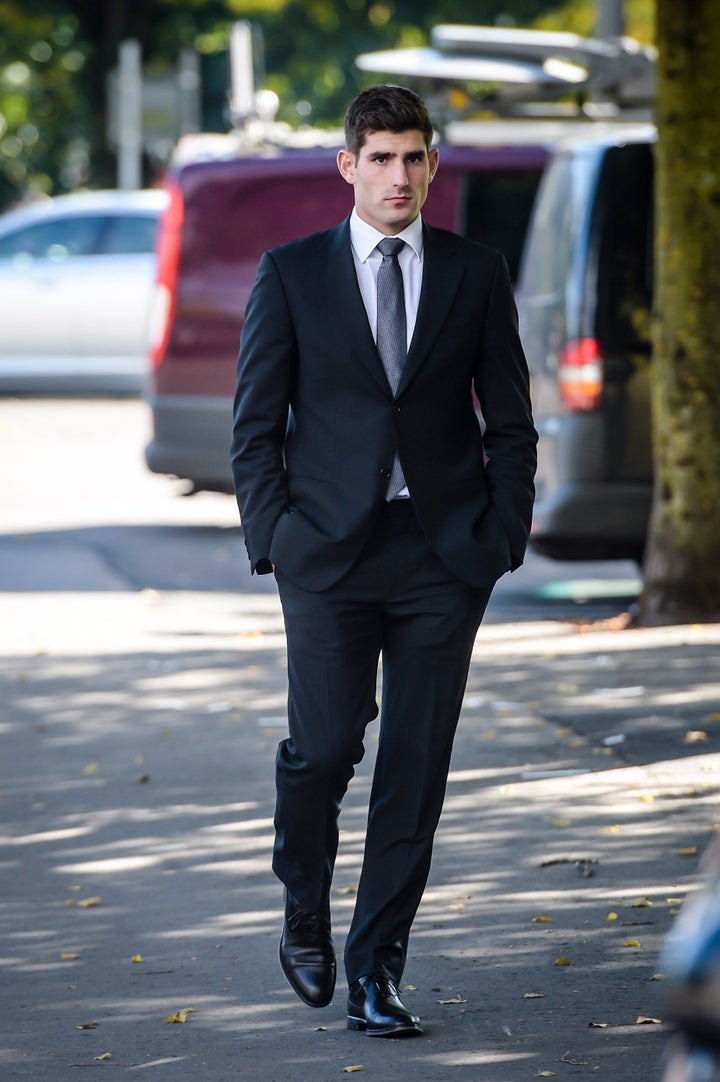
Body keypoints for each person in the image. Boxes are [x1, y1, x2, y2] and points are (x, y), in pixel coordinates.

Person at [230, 84, 537, 1038]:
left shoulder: (473, 271)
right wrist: (276, 539)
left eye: (414, 157)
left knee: (416, 764)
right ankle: (302, 898)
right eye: (382, 158)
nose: (399, 175)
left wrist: (500, 538)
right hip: (326, 554)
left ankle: (376, 970)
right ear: (348, 167)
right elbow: (254, 430)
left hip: (442, 557)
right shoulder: (292, 275)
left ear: (432, 165)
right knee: (324, 750)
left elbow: (512, 421)